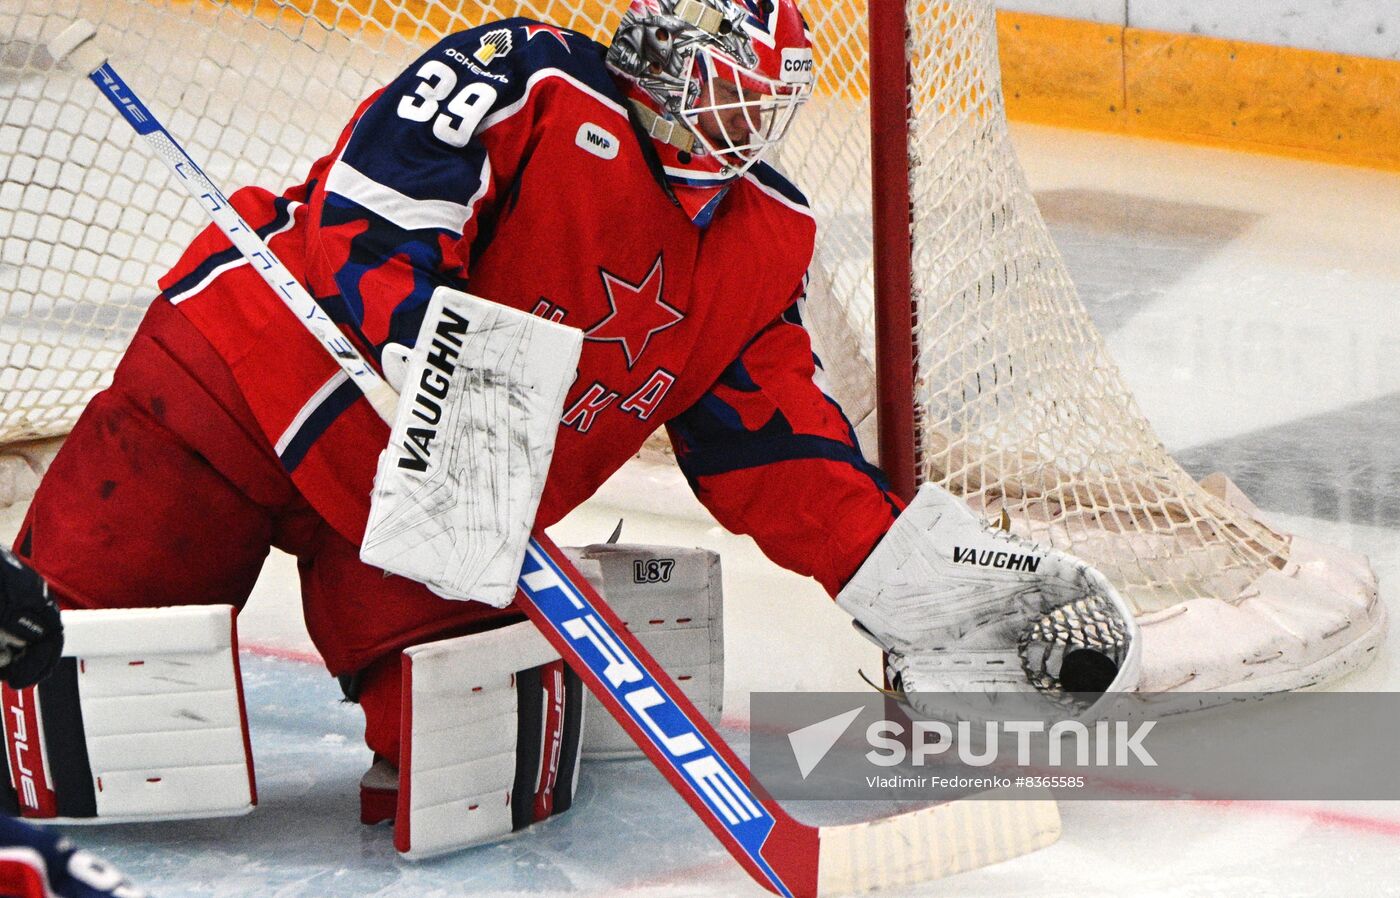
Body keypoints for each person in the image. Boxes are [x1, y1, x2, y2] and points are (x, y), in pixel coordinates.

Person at [9, 0, 902, 782]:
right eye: (729, 90)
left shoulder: (765, 237)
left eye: (762, 101)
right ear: (664, 62)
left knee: (490, 756)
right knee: (63, 700)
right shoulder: (530, 76)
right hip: (247, 389)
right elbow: (381, 206)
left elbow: (773, 446)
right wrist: (419, 348)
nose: (744, 123)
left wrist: (902, 575)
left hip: (438, 499)